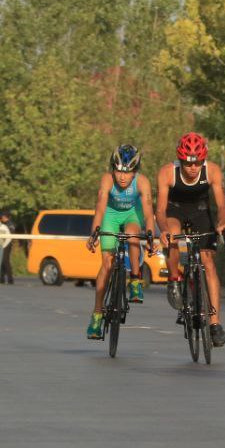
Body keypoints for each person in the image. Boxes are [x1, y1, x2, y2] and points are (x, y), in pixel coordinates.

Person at [155, 132, 225, 348]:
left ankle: (215, 323)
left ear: (203, 160)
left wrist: (222, 224)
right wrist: (163, 229)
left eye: (197, 163)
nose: (192, 168)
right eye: (187, 163)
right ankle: (174, 279)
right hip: (175, 210)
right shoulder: (167, 172)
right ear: (180, 160)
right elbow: (160, 210)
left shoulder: (212, 170)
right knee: (172, 235)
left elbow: (222, 206)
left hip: (200, 211)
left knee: (208, 263)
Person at [86, 144, 156, 340]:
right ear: (113, 169)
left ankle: (135, 279)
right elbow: (100, 208)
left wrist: (150, 235)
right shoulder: (107, 180)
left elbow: (149, 213)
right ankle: (97, 315)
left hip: (133, 214)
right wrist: (94, 233)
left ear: (135, 171)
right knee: (107, 264)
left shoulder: (142, 182)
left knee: (133, 234)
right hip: (111, 215)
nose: (122, 177)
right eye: (118, 171)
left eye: (127, 172)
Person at [0, 211, 16, 284]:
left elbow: (11, 233)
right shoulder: (3, 224)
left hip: (7, 244)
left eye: (3, 217)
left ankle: (10, 279)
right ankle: (1, 278)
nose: (2, 218)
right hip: (2, 244)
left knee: (5, 261)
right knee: (2, 261)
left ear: (6, 217)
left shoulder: (10, 224)